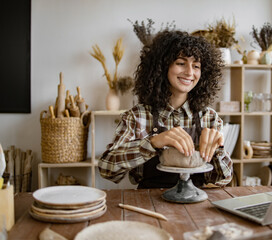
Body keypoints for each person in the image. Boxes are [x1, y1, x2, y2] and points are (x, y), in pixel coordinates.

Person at [98, 30, 233, 188]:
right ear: (162, 67)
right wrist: (153, 142)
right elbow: (107, 170)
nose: (190, 72)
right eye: (181, 63)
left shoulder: (208, 117)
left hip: (194, 203)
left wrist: (217, 151)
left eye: (196, 66)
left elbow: (223, 179)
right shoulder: (138, 116)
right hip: (149, 203)